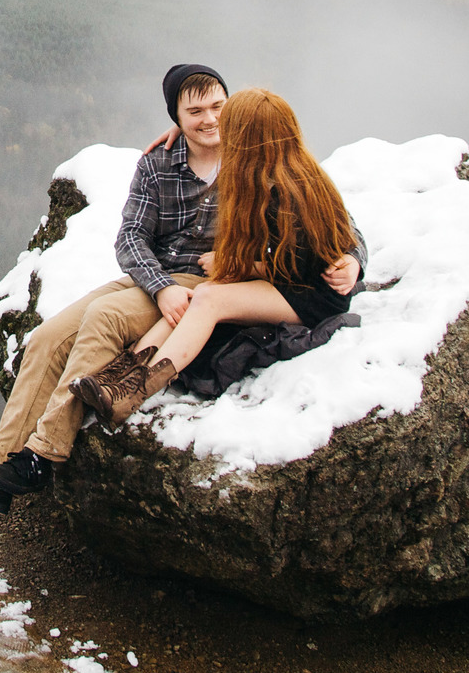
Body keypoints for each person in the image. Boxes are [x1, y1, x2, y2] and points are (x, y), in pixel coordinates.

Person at [0, 64, 357, 513]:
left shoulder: (253, 155)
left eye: (218, 107)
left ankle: (41, 457)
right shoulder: (160, 162)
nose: (210, 119)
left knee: (103, 319)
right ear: (177, 118)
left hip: (208, 279)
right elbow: (131, 237)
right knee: (48, 338)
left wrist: (353, 262)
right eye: (195, 112)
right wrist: (159, 285)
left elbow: (334, 225)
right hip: (153, 276)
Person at [71, 87, 363, 424]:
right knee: (201, 297)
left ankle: (136, 390)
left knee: (210, 299)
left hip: (311, 295)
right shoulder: (265, 173)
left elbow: (296, 268)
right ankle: (118, 378)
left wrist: (233, 266)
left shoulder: (294, 189)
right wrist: (181, 126)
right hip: (288, 284)